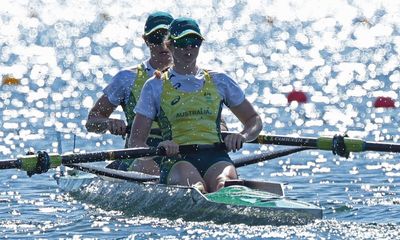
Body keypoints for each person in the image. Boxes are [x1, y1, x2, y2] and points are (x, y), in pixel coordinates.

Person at [128, 17, 262, 193]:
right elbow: (136, 141)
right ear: (170, 45)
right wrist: (158, 149)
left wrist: (243, 136)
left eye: (194, 42)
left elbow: (254, 120)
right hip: (178, 160)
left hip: (215, 156)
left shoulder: (220, 80)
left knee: (224, 184)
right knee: (196, 188)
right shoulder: (155, 86)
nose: (189, 48)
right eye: (183, 42)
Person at [85, 11, 174, 173]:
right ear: (146, 41)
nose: (163, 44)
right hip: (139, 153)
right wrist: (108, 123)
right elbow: (91, 122)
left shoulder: (194, 78)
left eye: (168, 38)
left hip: (180, 150)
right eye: (156, 38)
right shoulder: (126, 78)